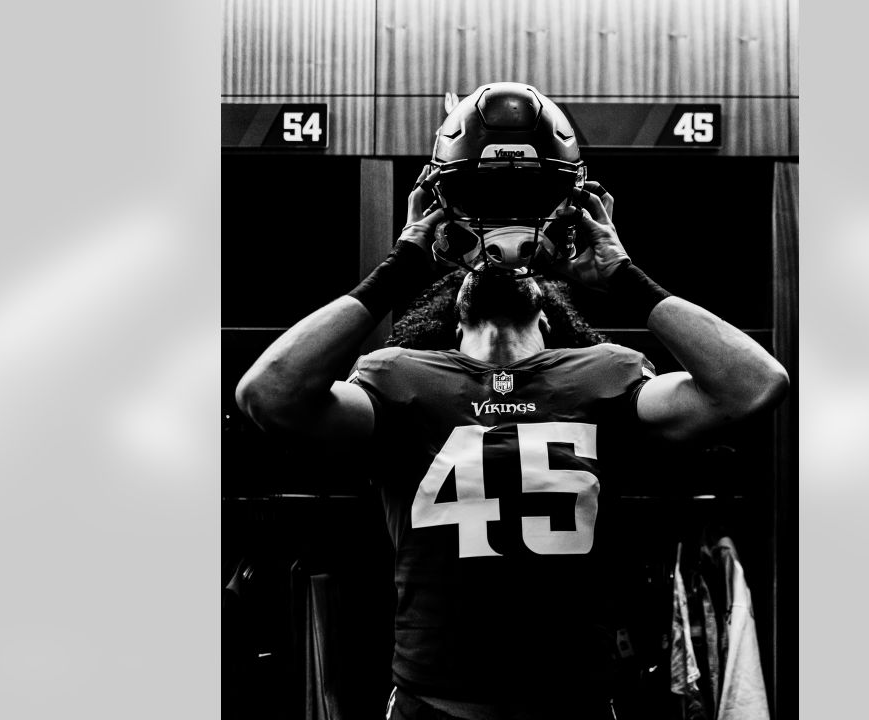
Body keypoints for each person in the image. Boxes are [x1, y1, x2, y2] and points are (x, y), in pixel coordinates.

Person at [235, 83, 788, 720]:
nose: (493, 268)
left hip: (572, 703)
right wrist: (402, 266)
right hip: (433, 705)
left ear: (554, 322)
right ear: (448, 310)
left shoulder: (604, 374)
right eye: (473, 271)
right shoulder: (400, 377)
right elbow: (266, 394)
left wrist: (623, 277)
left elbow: (756, 384)